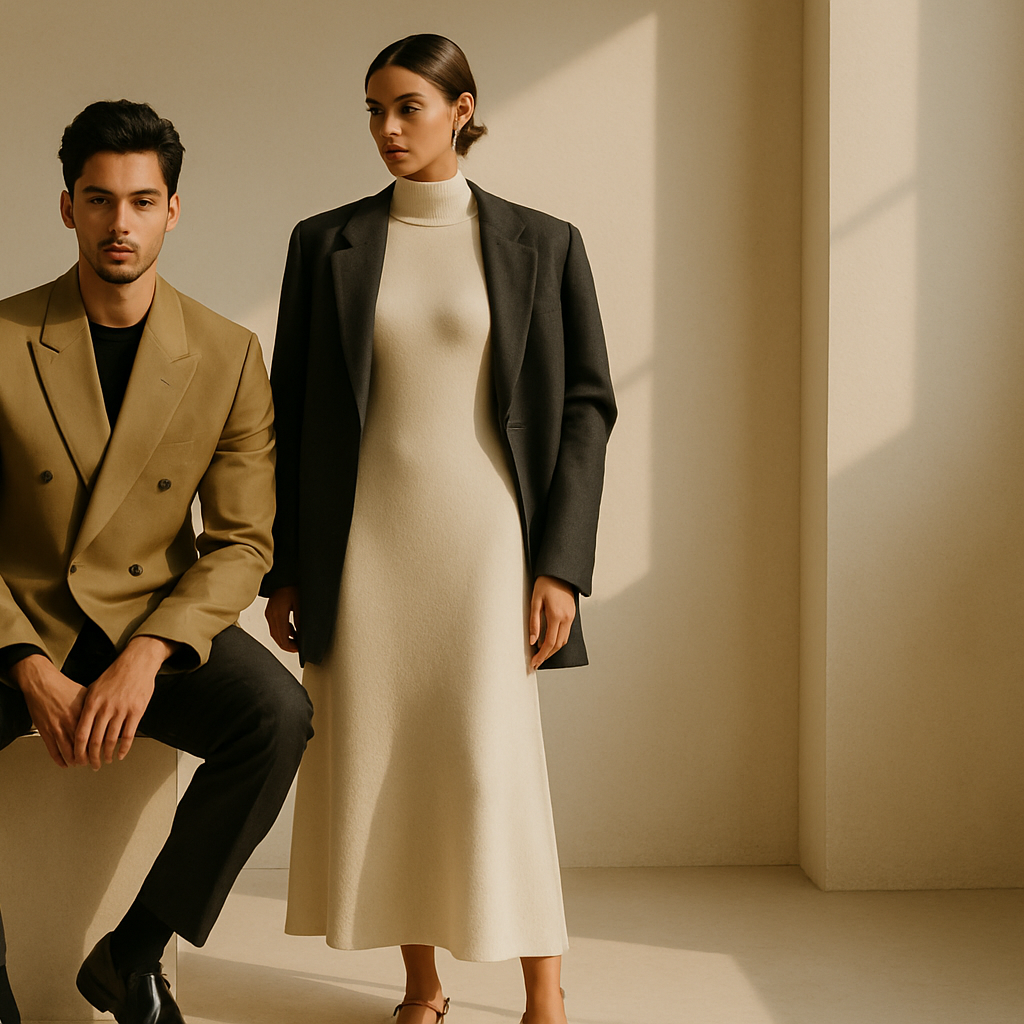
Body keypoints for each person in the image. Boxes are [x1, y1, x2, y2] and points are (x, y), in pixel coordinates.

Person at [0, 99, 312, 1024]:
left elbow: (242, 544)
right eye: (100, 199)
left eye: (143, 201)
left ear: (174, 211)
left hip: (152, 621)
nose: (122, 223)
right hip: (18, 617)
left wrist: (149, 657)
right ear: (66, 206)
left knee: (278, 715)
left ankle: (133, 954)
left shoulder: (229, 356)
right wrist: (27, 664)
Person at [263, 34, 618, 1024]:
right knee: (385, 756)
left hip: (486, 542)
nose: (386, 128)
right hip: (362, 544)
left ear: (463, 108)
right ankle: (422, 985)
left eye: (409, 106)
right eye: (374, 109)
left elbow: (586, 406)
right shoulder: (322, 244)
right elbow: (290, 414)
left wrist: (561, 565)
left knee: (490, 757)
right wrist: (287, 567)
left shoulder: (542, 245)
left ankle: (545, 990)